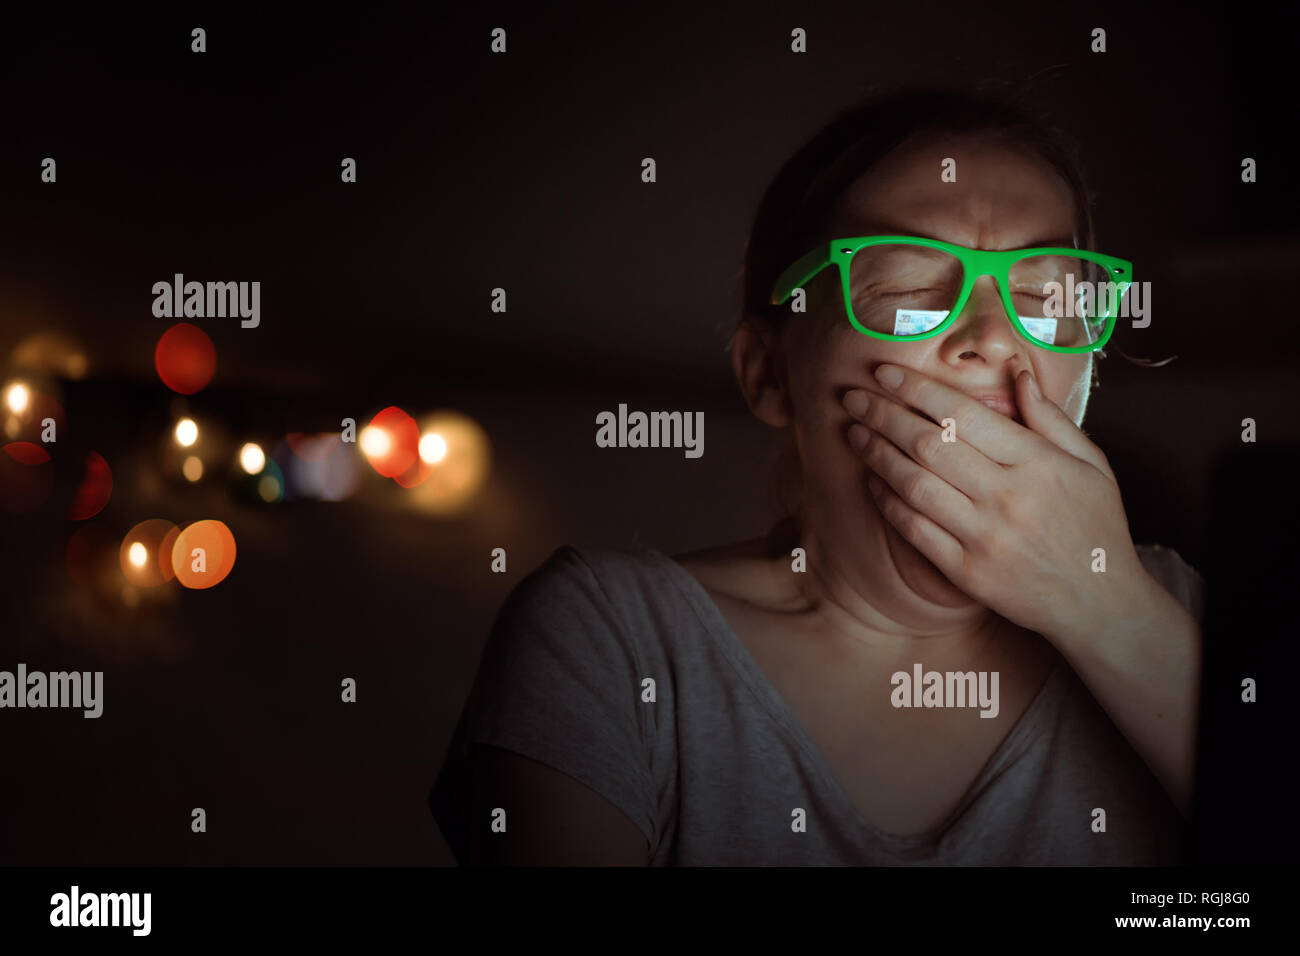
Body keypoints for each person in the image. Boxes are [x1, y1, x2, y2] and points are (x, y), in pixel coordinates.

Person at [429, 89, 1205, 865]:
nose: (994, 338)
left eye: (1043, 298)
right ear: (768, 373)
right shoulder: (616, 641)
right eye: (905, 292)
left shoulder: (1189, 619)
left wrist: (1109, 612)